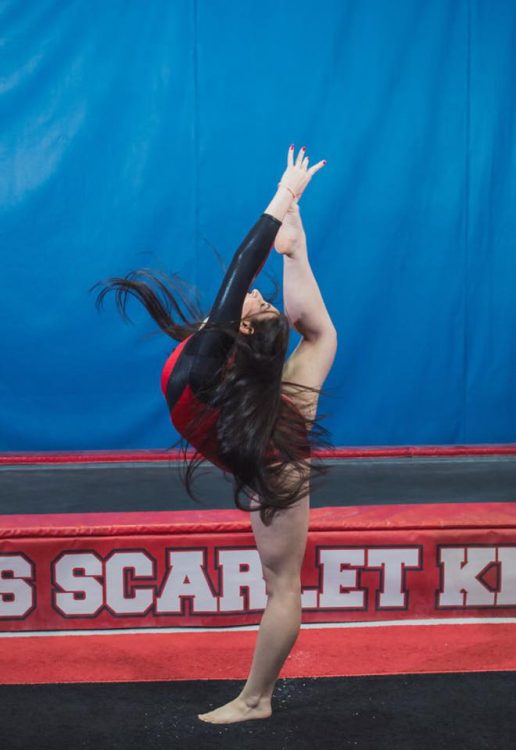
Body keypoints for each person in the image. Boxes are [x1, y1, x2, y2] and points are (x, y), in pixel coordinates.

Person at [94, 144, 337, 724]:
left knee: (283, 583)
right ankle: (297, 250)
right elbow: (251, 295)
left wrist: (286, 197)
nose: (254, 295)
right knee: (319, 339)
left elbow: (240, 266)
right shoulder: (218, 365)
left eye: (256, 305)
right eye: (259, 299)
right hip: (255, 426)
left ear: (240, 330)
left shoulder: (207, 361)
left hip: (273, 459)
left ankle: (255, 701)